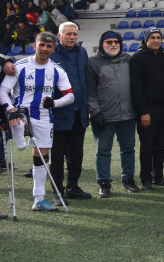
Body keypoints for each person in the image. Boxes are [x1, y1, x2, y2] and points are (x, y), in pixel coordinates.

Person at [1, 32, 74, 211]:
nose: (44, 49)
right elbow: (2, 91)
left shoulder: (57, 70)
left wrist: (54, 103)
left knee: (42, 157)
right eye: (41, 45)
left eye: (48, 46)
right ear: (34, 46)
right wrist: (10, 109)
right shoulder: (20, 66)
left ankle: (39, 199)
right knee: (19, 120)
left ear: (53, 49)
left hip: (44, 116)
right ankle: (19, 135)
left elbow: (70, 95)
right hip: (20, 112)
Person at [87, 30, 138, 198]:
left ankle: (128, 180)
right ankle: (104, 183)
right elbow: (90, 91)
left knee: (128, 149)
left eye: (116, 42)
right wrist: (95, 112)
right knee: (103, 150)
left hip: (128, 115)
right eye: (109, 42)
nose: (113, 45)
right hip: (104, 116)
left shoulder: (128, 59)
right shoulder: (92, 63)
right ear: (102, 44)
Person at [130, 27, 164, 190]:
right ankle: (146, 179)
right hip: (147, 111)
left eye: (158, 37)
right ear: (146, 40)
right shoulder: (137, 58)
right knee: (147, 146)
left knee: (162, 145)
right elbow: (136, 88)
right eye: (153, 37)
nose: (156, 40)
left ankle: (159, 176)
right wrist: (143, 112)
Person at [49, 21, 91, 202]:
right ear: (59, 36)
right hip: (58, 113)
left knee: (76, 153)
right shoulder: (51, 53)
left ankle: (73, 187)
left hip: (79, 113)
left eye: (75, 34)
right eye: (68, 34)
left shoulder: (82, 52)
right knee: (57, 156)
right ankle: (58, 191)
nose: (72, 37)